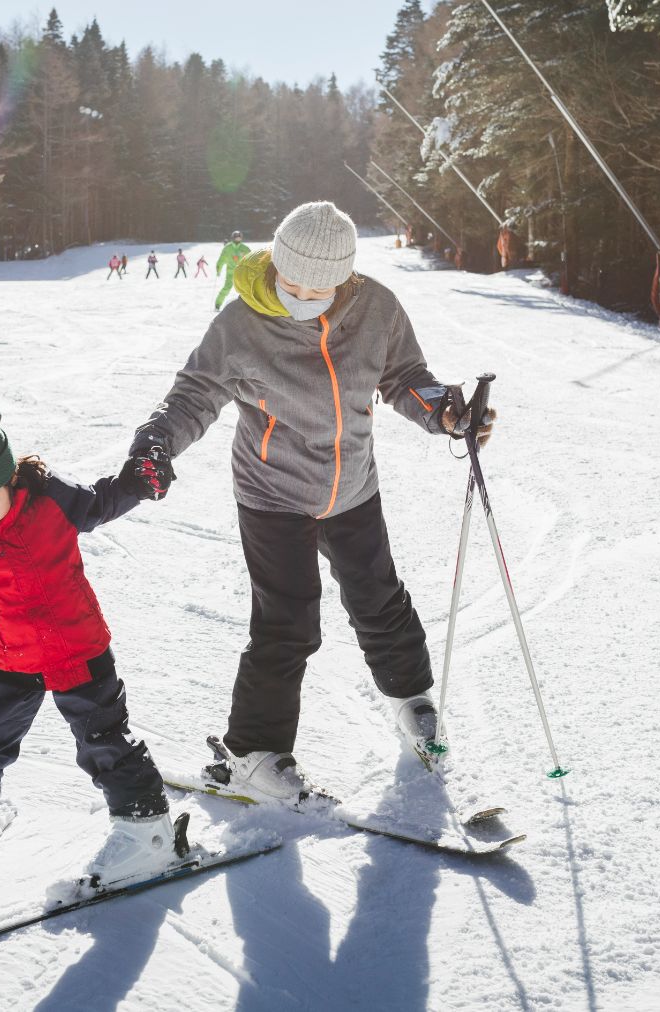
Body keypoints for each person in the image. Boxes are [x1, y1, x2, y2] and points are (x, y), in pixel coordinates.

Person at [117, 201, 495, 804]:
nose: (302, 295)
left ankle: (413, 702)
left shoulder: (377, 308)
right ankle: (254, 753)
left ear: (345, 277)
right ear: (275, 265)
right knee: (287, 622)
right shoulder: (240, 325)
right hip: (273, 492)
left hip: (352, 485)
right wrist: (155, 444)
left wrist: (445, 411)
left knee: (379, 597)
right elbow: (194, 393)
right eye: (291, 282)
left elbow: (405, 376)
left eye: (320, 287)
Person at [0, 400, 180, 888]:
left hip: (78, 651)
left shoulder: (53, 499)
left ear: (11, 477)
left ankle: (148, 832)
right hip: (13, 662)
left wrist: (140, 481)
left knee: (103, 740)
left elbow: (102, 500)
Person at [214, 230, 250, 309]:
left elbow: (251, 259)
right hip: (231, 273)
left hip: (241, 273)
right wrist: (218, 269)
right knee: (226, 288)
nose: (238, 239)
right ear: (233, 238)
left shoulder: (245, 248)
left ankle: (249, 306)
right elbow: (222, 259)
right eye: (236, 238)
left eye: (239, 238)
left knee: (245, 289)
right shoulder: (228, 248)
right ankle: (218, 304)